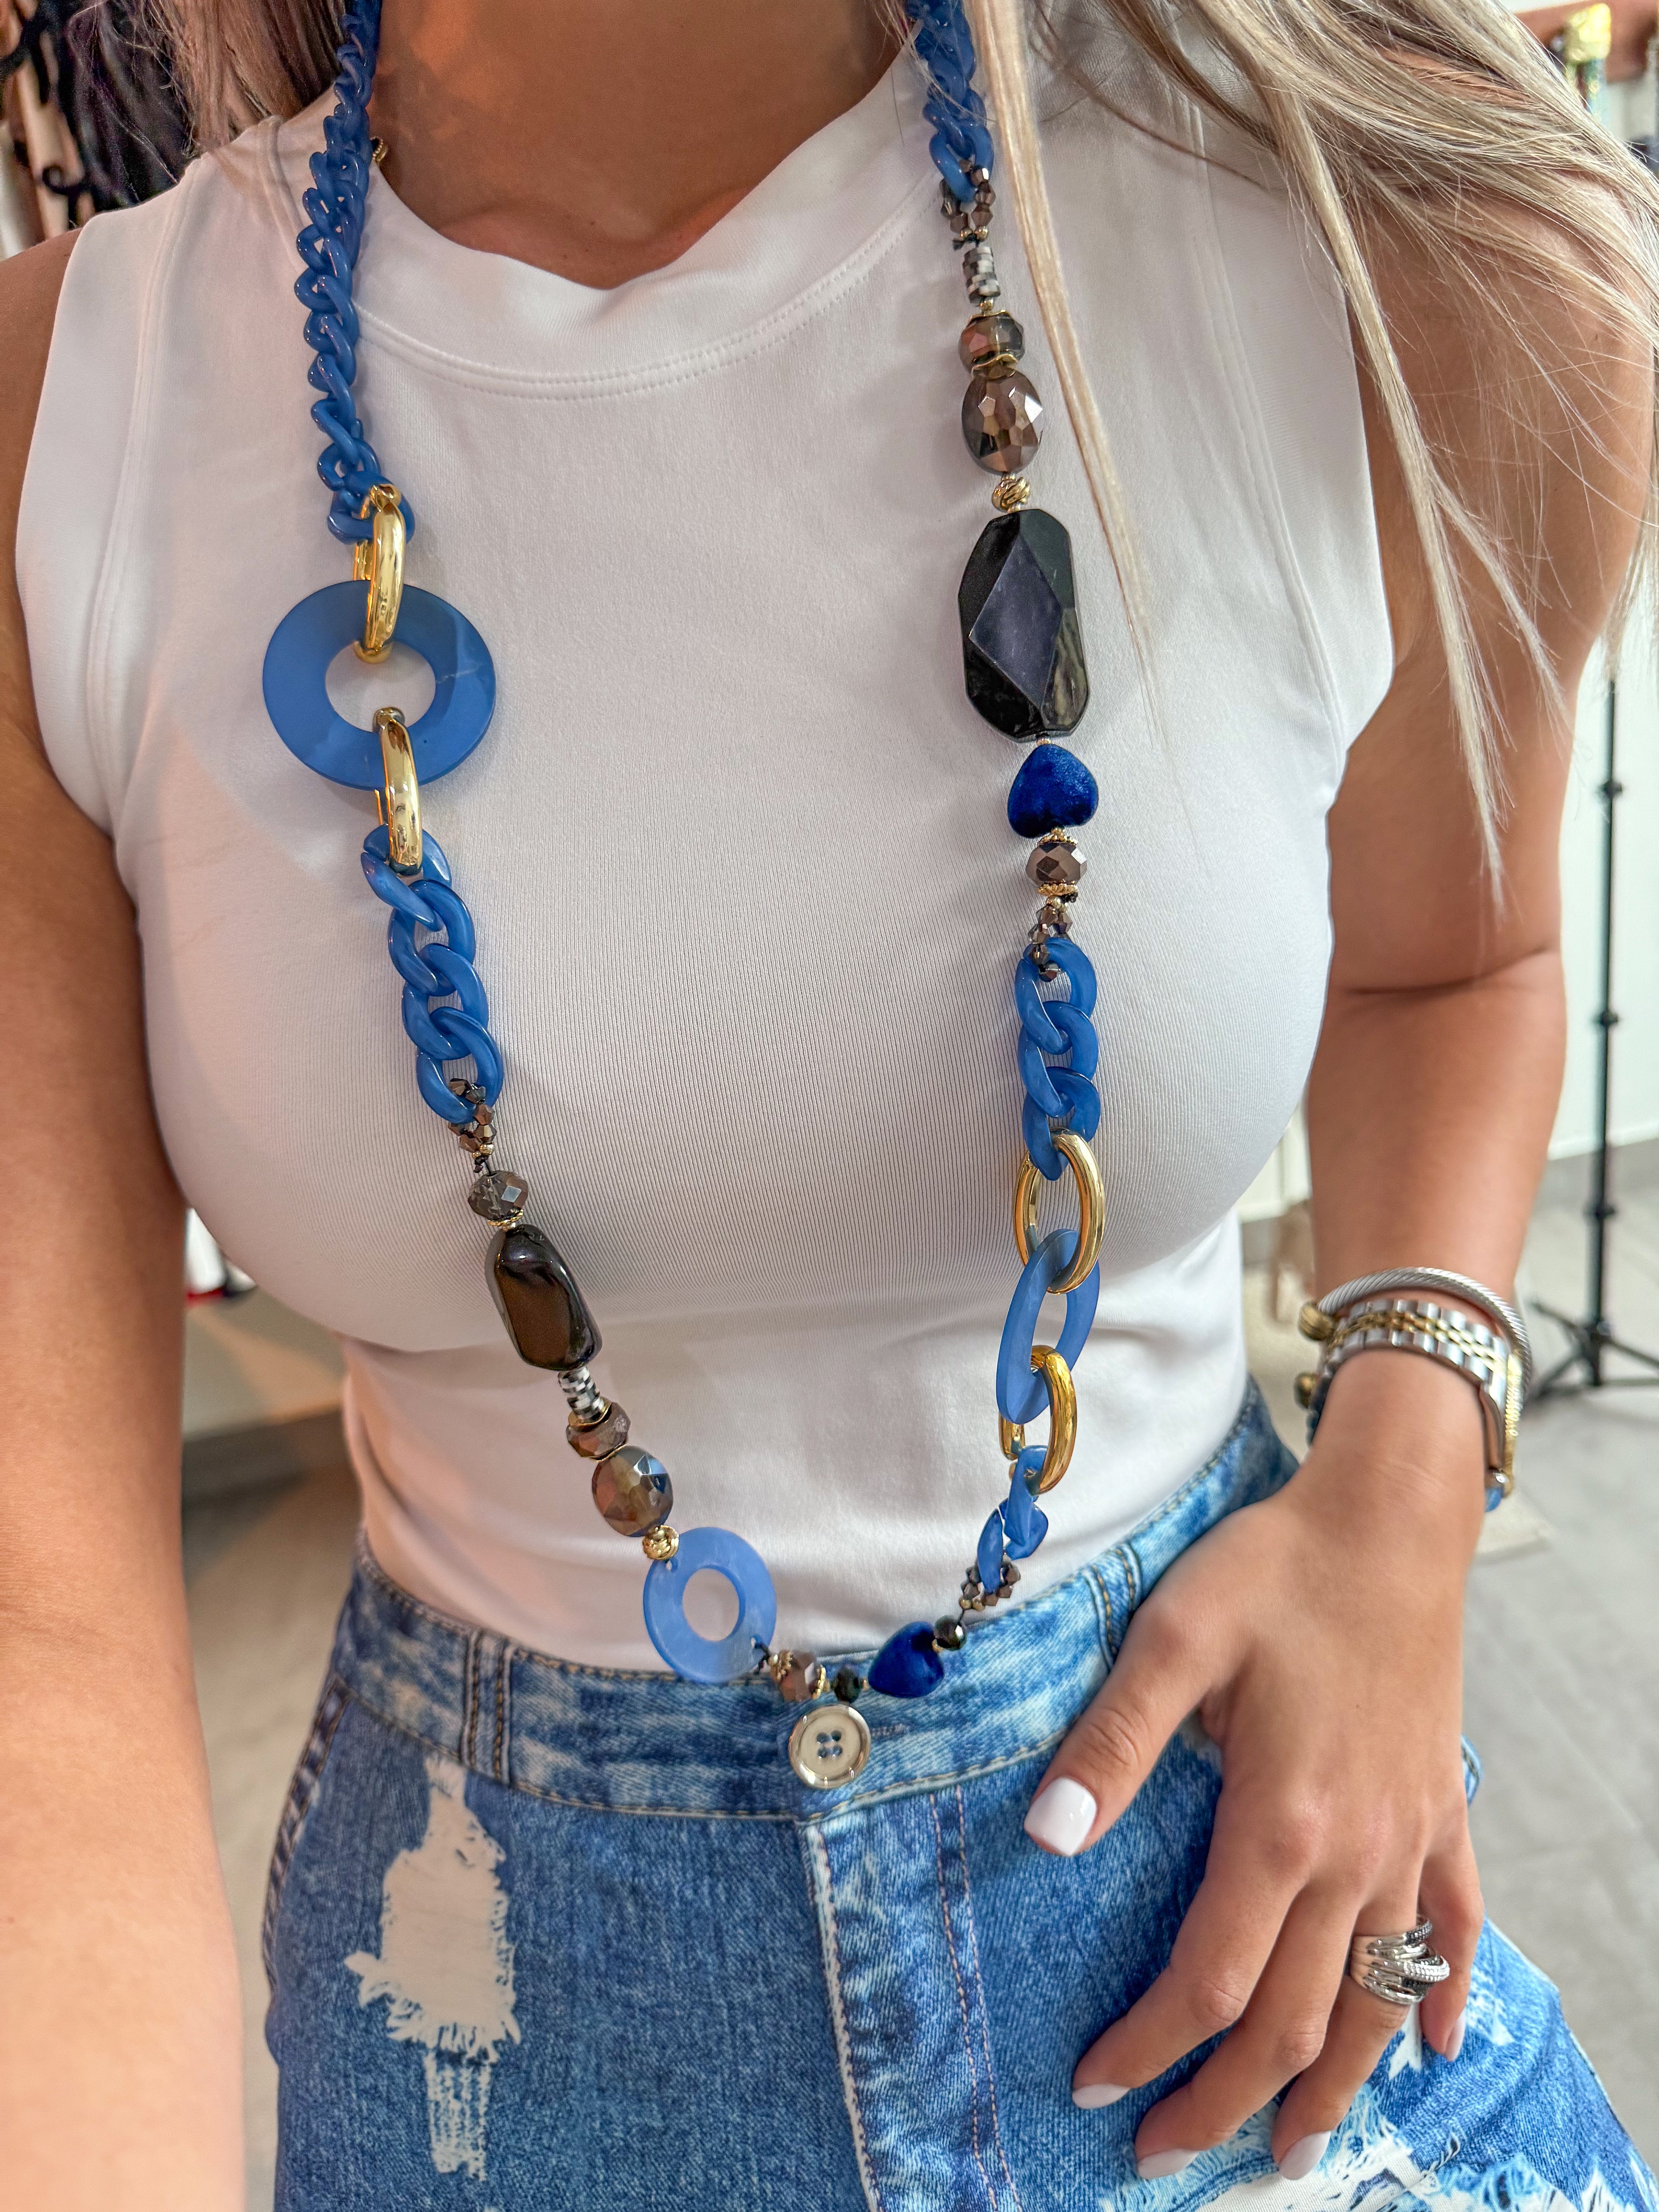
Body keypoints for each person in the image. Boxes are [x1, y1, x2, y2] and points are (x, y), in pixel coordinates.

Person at [2, 0, 1654, 2205]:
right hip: (493, 2025)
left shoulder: (1396, 248)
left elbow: (1459, 962)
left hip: (1230, 1940)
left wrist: (1404, 1509)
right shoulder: (69, 423)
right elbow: (40, 1646)